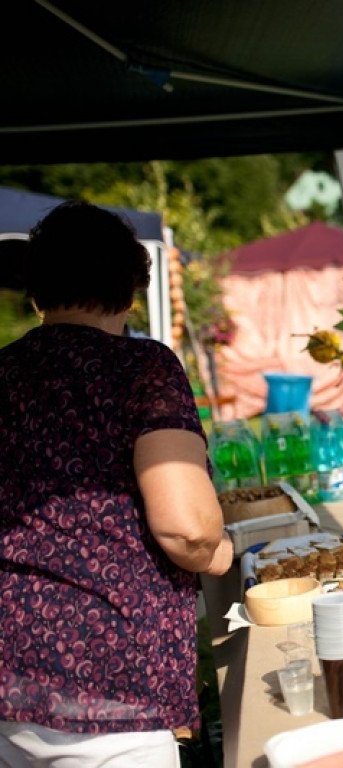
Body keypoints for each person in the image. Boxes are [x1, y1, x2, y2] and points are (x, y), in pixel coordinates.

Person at [0, 201, 233, 767]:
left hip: (9, 677)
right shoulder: (142, 368)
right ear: (131, 291)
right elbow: (186, 527)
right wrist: (220, 551)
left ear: (38, 292)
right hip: (110, 690)